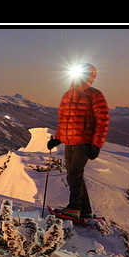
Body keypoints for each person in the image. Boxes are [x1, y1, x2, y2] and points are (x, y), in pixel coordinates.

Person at [47, 63, 110, 219]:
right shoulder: (67, 95)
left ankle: (74, 208)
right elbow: (64, 120)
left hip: (84, 142)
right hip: (69, 142)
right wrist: (57, 139)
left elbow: (102, 120)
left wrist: (96, 145)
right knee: (74, 175)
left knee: (74, 174)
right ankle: (85, 211)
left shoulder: (95, 95)